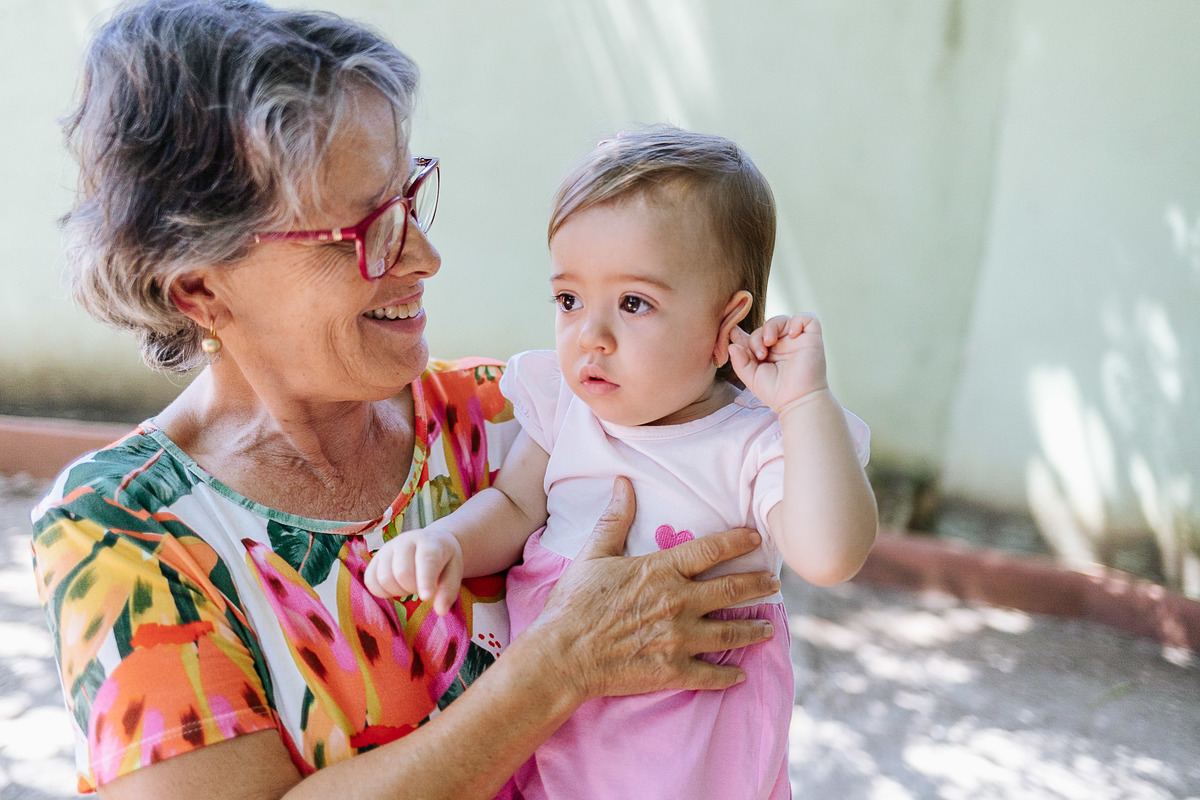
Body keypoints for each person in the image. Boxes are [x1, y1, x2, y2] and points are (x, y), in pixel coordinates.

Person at [29, 4, 783, 799]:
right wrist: (558, 668)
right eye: (364, 231)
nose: (424, 256)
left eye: (408, 199)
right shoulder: (124, 529)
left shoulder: (516, 416)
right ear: (200, 288)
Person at [364, 126, 879, 800]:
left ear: (727, 325)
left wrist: (805, 402)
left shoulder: (753, 443)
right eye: (569, 300)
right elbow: (515, 507)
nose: (591, 336)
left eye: (634, 303)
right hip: (557, 736)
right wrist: (448, 542)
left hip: (690, 763)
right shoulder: (565, 410)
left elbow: (832, 556)